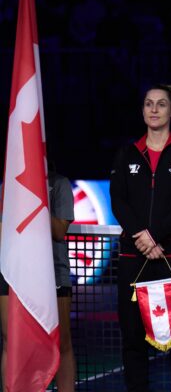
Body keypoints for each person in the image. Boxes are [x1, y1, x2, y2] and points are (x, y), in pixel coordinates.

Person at [110, 84, 171, 392]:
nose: (154, 109)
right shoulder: (127, 154)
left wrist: (155, 235)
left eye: (161, 104)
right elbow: (118, 200)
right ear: (142, 110)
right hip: (133, 255)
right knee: (133, 339)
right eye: (148, 104)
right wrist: (143, 237)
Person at [0, 166, 76, 392]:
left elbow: (60, 230)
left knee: (61, 342)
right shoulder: (8, 185)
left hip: (54, 272)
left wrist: (35, 201)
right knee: (10, 341)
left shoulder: (60, 183)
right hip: (13, 271)